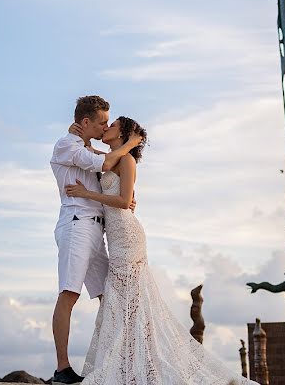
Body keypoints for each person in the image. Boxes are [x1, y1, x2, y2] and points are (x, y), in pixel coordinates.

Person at [65, 116, 256, 385]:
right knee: (121, 304)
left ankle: (134, 365)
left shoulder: (126, 160)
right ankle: (128, 364)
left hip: (128, 239)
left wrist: (88, 194)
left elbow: (122, 201)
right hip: (115, 238)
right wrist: (77, 133)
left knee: (130, 302)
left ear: (123, 134)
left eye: (112, 125)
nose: (106, 128)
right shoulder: (111, 158)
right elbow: (90, 154)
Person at [50, 95, 143, 385]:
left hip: (99, 231)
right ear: (86, 121)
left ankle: (115, 363)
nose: (105, 127)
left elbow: (110, 169)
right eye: (102, 122)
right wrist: (129, 144)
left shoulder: (86, 145)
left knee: (110, 297)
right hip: (77, 225)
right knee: (69, 293)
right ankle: (62, 368)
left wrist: (125, 198)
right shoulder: (68, 144)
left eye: (109, 122)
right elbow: (102, 166)